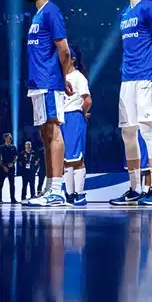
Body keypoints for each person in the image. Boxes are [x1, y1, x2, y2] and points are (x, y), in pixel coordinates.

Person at [110, 0, 152, 207]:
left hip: (147, 76)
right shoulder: (125, 14)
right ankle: (135, 189)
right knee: (127, 133)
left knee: (148, 131)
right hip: (128, 78)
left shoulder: (149, 8)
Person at [24, 0, 72, 207]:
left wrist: (64, 77)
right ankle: (49, 186)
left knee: (53, 131)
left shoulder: (51, 11)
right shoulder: (37, 15)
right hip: (37, 83)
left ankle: (57, 190)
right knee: (45, 135)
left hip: (49, 81)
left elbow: (64, 49)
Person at [63, 47, 93, 207]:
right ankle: (69, 195)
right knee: (66, 159)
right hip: (62, 118)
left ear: (73, 59)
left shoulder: (78, 77)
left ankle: (80, 195)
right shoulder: (61, 77)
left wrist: (81, 113)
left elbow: (87, 100)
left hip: (74, 117)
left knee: (76, 158)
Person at [0, 134, 18, 203]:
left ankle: (13, 199)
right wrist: (3, 166)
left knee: (12, 184)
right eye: (9, 137)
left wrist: (13, 163)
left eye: (11, 137)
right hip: (3, 167)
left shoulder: (13, 147)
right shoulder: (1, 147)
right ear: (5, 138)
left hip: (11, 167)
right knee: (0, 183)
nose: (11, 139)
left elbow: (16, 156)